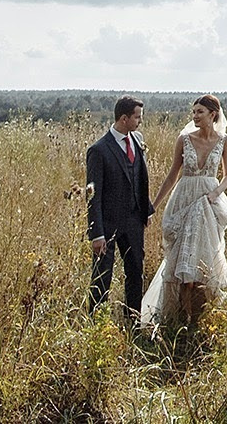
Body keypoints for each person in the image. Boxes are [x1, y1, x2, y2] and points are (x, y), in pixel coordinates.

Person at [140, 93, 227, 330]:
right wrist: (154, 205)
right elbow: (173, 174)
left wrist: (216, 193)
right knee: (181, 264)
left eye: (199, 112)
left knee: (205, 259)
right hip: (184, 198)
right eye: (193, 112)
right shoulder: (184, 139)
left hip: (209, 201)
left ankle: (201, 320)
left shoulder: (225, 141)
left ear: (213, 114)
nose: (194, 116)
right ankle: (179, 319)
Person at [85, 96, 152, 317]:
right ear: (124, 118)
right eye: (137, 117)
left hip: (134, 222)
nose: (140, 121)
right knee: (102, 277)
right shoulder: (99, 150)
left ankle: (133, 321)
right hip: (108, 225)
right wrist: (97, 234)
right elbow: (93, 195)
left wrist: (146, 210)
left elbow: (141, 177)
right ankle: (96, 325)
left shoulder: (137, 139)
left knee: (135, 273)